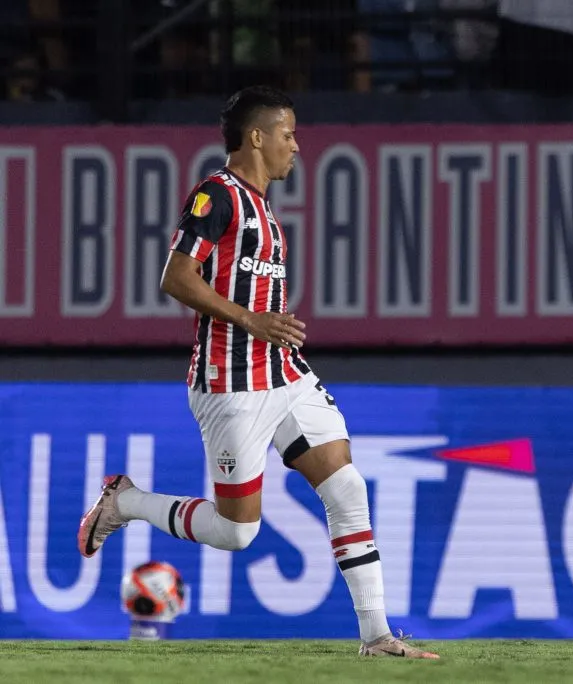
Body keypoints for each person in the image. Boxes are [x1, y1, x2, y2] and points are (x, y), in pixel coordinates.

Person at [78, 85, 438, 660]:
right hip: (230, 382)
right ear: (257, 137)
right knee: (238, 531)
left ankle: (377, 636)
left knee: (346, 486)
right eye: (288, 134)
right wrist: (253, 319)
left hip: (284, 374)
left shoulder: (264, 207)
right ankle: (125, 501)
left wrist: (269, 330)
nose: (297, 146)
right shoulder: (216, 196)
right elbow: (175, 277)